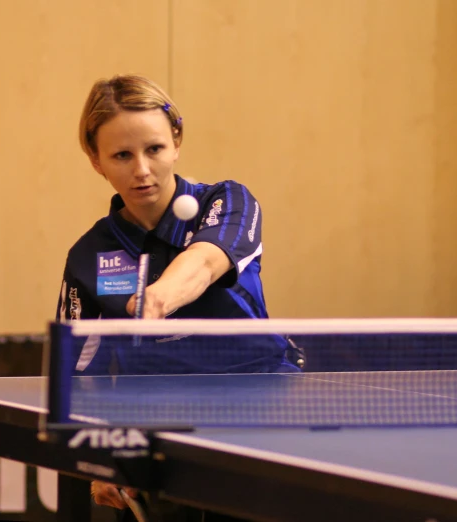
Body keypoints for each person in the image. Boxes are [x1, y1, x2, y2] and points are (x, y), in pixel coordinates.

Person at [54, 74, 301, 521]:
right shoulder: (89, 255)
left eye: (154, 149)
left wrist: (156, 301)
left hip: (257, 410)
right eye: (122, 155)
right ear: (96, 160)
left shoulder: (228, 202)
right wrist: (102, 453)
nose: (142, 170)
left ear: (176, 141)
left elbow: (206, 262)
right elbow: (79, 370)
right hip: (154, 428)